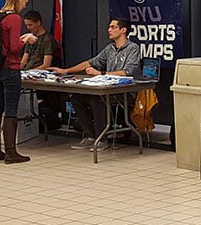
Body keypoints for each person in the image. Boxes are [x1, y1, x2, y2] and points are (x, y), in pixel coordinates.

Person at [50, 17, 142, 150]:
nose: (109, 30)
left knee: (96, 99)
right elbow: (90, 62)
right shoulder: (110, 48)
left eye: (113, 27)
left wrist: (101, 74)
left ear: (123, 30)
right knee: (77, 98)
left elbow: (128, 72)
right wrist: (66, 70)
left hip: (124, 91)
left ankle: (102, 138)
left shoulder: (133, 48)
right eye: (109, 27)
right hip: (106, 87)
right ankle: (90, 136)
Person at [0, 0, 35, 164]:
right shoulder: (14, 18)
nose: (25, 6)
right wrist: (27, 40)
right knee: (11, 109)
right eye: (25, 2)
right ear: (20, 0)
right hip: (11, 68)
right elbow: (14, 47)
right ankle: (11, 152)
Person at [20, 10, 66, 131]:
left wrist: (29, 72)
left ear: (38, 23)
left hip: (39, 74)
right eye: (26, 25)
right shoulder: (30, 39)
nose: (28, 28)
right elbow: (23, 60)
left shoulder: (47, 40)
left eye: (30, 25)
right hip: (26, 73)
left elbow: (46, 64)